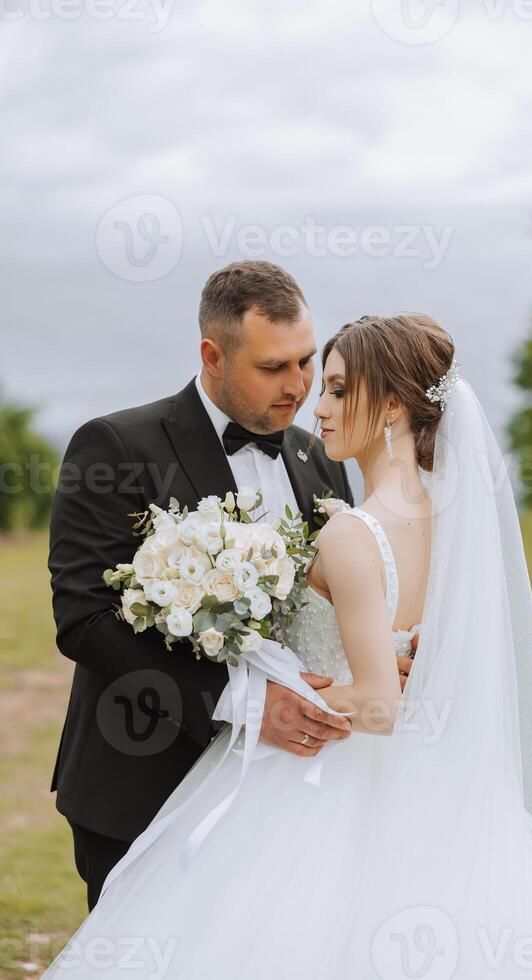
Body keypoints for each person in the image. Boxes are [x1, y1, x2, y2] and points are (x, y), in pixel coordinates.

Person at [44, 314, 532, 978]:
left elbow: (378, 704)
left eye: (335, 387)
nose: (317, 404)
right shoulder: (454, 525)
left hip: (312, 773)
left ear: (391, 404)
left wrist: (298, 692)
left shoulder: (350, 529)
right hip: (416, 781)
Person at [49, 261, 406, 913]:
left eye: (305, 362)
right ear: (213, 355)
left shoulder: (319, 455)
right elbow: (85, 620)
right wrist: (237, 700)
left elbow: (327, 601)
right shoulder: (114, 447)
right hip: (143, 780)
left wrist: (381, 652)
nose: (299, 387)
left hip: (293, 793)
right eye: (274, 368)